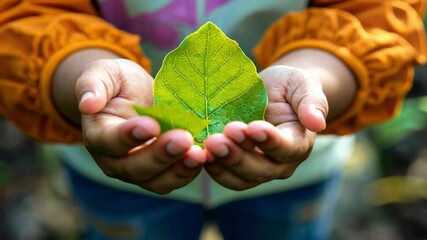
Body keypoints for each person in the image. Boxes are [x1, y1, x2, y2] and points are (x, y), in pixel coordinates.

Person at [0, 0, 425, 239]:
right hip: (117, 164)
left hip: (291, 167)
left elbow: (373, 13)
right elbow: (30, 11)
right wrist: (80, 76)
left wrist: (316, 78)